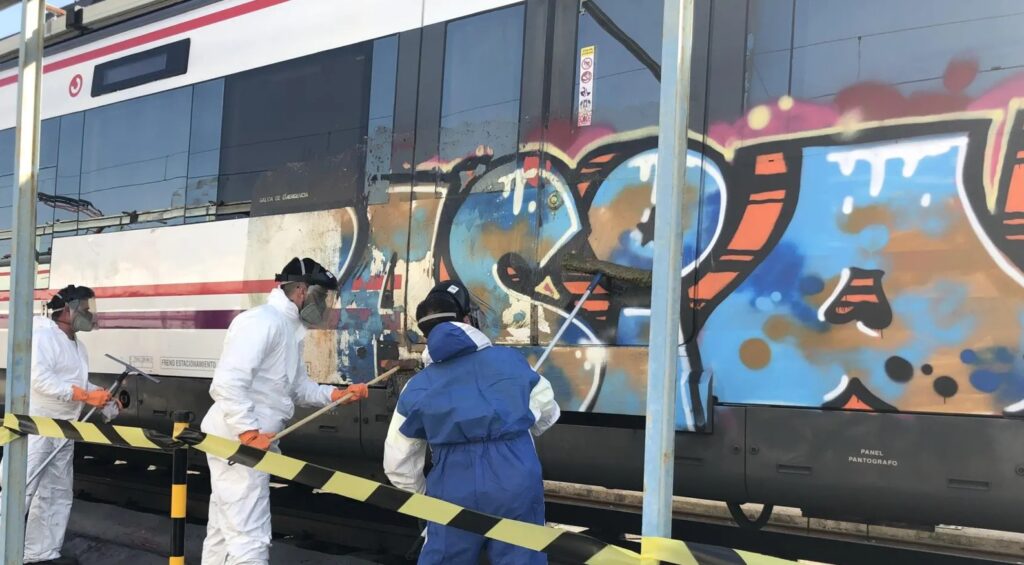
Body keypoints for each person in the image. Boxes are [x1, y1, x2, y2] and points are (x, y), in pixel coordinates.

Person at [200, 257, 370, 565]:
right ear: (302, 291)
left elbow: (298, 387)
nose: (326, 306)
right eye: (323, 296)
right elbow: (227, 383)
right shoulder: (262, 321)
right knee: (250, 537)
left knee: (225, 531)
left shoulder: (287, 328)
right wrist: (248, 432)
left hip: (242, 438)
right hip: (239, 442)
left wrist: (337, 394)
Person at [384, 281, 561, 565]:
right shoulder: (512, 362)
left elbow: (397, 463)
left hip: (453, 485)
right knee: (522, 556)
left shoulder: (417, 387)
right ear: (468, 320)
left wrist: (423, 498)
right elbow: (549, 413)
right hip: (516, 477)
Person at [21, 285, 119, 565]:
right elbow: (40, 380)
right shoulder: (42, 335)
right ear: (67, 310)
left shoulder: (76, 344)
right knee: (21, 489)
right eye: (86, 310)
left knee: (56, 493)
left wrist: (99, 393)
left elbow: (72, 382)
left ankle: (41, 554)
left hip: (65, 428)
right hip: (38, 427)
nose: (90, 315)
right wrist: (86, 395)